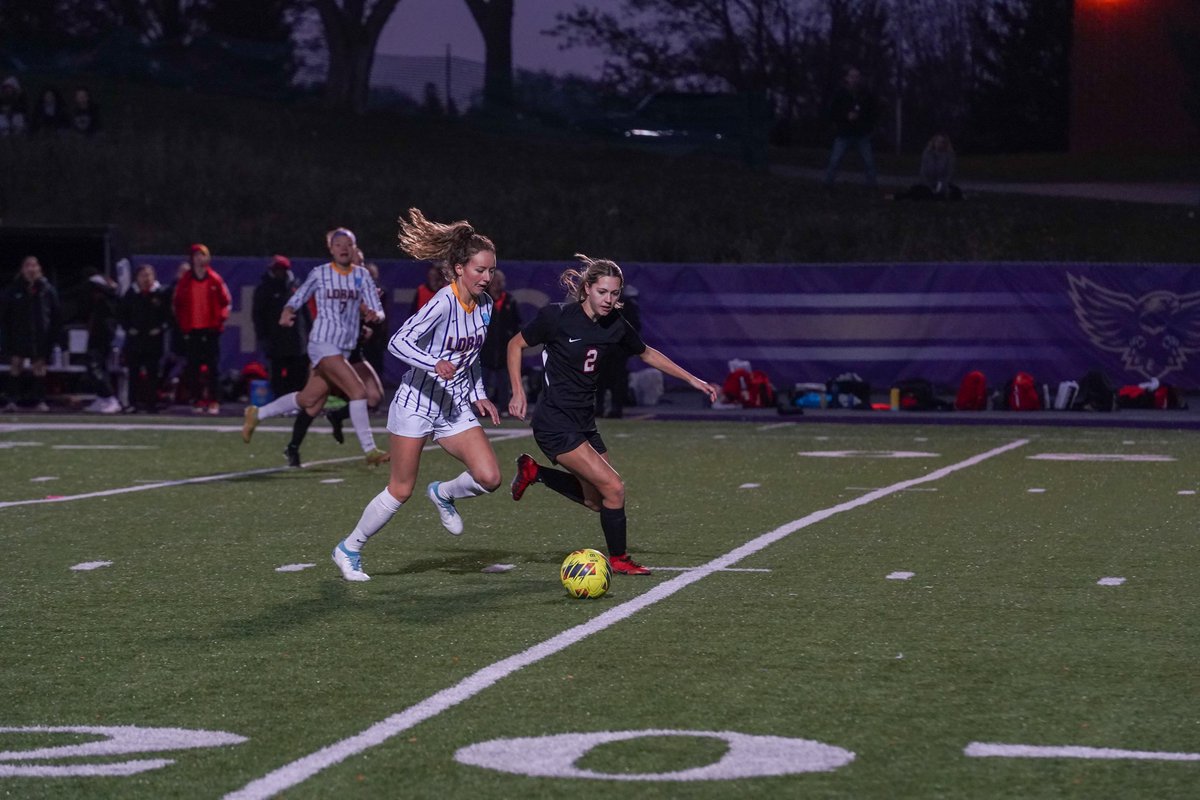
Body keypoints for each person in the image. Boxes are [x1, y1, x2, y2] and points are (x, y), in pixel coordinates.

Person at [506, 255, 718, 575]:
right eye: (603, 292)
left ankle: (535, 472)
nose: (609, 300)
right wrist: (518, 392)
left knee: (597, 500)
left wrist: (692, 379)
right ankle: (619, 559)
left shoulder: (615, 323)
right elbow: (514, 345)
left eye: (615, 294)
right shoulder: (557, 317)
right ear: (587, 289)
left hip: (584, 421)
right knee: (615, 488)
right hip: (555, 422)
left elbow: (646, 352)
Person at [330, 209, 502, 582]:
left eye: (490, 271)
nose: (486, 278)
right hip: (417, 403)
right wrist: (432, 362)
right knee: (401, 489)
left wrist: (479, 394)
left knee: (489, 477)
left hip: (453, 405)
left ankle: (443, 493)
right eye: (479, 270)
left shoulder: (487, 306)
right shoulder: (443, 301)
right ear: (459, 268)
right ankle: (349, 548)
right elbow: (397, 342)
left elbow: (468, 359)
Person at [242, 227, 388, 467]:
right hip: (322, 343)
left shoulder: (362, 276)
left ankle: (257, 414)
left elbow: (377, 309)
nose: (343, 248)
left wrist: (376, 315)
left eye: (347, 244)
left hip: (345, 349)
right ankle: (370, 450)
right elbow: (298, 297)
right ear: (331, 248)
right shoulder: (320, 274)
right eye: (338, 244)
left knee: (308, 399)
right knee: (359, 392)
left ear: (354, 249)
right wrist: (288, 312)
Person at [172, 243, 231, 414]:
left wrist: (219, 321)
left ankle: (214, 400)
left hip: (211, 330)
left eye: (202, 255)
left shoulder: (215, 279)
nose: (199, 258)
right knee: (193, 367)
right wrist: (184, 326)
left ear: (207, 258)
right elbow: (178, 304)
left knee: (213, 367)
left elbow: (225, 302)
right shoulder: (185, 280)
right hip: (192, 330)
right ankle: (197, 400)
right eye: (196, 255)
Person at [1, 256, 61, 412]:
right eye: (28, 266)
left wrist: (55, 336)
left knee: (39, 367)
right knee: (16, 365)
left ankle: (40, 401)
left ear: (39, 269)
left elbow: (56, 314)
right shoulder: (14, 289)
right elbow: (5, 314)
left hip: (40, 335)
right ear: (22, 269)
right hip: (18, 334)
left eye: (34, 266)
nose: (31, 269)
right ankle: (12, 400)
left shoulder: (47, 289)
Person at [252, 254, 309, 399]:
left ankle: (296, 403)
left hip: (297, 340)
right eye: (276, 269)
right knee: (276, 375)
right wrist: (262, 337)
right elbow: (258, 316)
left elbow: (306, 314)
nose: (279, 273)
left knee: (298, 374)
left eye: (281, 269)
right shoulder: (264, 289)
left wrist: (310, 334)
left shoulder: (296, 288)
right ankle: (280, 403)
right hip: (275, 340)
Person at [120, 264, 170, 412]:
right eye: (143, 275)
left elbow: (168, 316)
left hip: (153, 341)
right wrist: (129, 328)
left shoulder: (160, 293)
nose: (146, 278)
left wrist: (160, 328)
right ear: (137, 277)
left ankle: (151, 403)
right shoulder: (131, 294)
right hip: (135, 341)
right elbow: (122, 314)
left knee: (153, 373)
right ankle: (132, 403)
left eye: (149, 275)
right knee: (133, 372)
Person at [823, 66, 878, 191]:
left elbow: (873, 112)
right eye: (852, 76)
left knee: (869, 162)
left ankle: (872, 186)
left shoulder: (866, 94)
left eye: (857, 76)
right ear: (847, 78)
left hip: (861, 134)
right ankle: (827, 184)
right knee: (834, 160)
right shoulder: (840, 94)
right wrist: (846, 116)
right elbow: (832, 112)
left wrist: (867, 124)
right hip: (844, 134)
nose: (855, 79)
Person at [595, 283, 640, 418]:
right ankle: (606, 407)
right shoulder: (624, 304)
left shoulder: (625, 305)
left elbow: (634, 327)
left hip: (613, 348)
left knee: (610, 380)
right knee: (604, 380)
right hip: (610, 348)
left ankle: (608, 408)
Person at [480, 268, 522, 414]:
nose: (497, 284)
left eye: (500, 282)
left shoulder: (509, 300)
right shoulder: (482, 300)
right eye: (495, 281)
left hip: (504, 349)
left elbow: (517, 324)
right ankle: (483, 409)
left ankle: (505, 408)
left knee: (504, 381)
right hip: (486, 349)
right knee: (482, 382)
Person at [81, 271, 121, 414]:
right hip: (97, 331)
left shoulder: (109, 297)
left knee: (94, 364)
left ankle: (110, 398)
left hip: (103, 333)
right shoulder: (100, 298)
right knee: (100, 366)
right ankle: (102, 397)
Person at [892, 133, 963, 202]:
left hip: (942, 185)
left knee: (954, 192)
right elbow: (923, 173)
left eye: (942, 142)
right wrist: (930, 187)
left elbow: (948, 174)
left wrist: (939, 187)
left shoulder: (949, 155)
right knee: (918, 191)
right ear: (934, 142)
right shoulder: (927, 154)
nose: (940, 144)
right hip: (927, 184)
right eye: (937, 141)